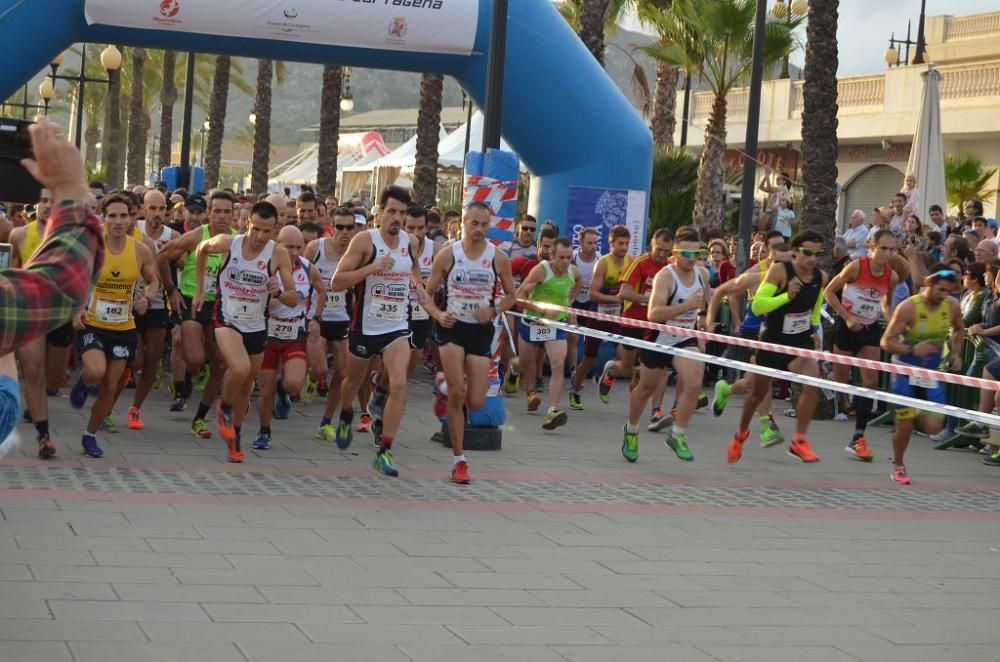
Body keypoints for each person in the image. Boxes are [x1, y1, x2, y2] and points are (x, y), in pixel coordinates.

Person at [0, 118, 108, 452]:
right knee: (32, 372)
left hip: (43, 317)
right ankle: (44, 433)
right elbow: (61, 284)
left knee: (53, 376)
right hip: (35, 311)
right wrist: (70, 188)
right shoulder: (19, 233)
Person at [329, 186, 427, 477]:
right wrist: (371, 268)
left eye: (402, 212)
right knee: (351, 382)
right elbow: (337, 282)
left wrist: (419, 286)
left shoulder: (410, 241)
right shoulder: (364, 241)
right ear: (380, 213)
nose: (397, 217)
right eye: (392, 211)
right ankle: (347, 414)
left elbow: (413, 268)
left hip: (397, 325)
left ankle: (384, 450)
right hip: (365, 325)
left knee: (398, 384)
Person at [193, 201, 296, 463]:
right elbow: (201, 250)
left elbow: (294, 299)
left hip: (257, 325)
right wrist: (199, 291)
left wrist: (279, 292)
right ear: (246, 223)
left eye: (267, 232)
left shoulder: (279, 254)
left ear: (275, 229)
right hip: (227, 317)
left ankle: (234, 437)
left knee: (247, 384)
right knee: (238, 369)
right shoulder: (229, 243)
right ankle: (223, 409)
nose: (261, 237)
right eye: (256, 229)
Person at [421, 202, 516, 483]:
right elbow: (426, 296)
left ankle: (444, 390)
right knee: (459, 394)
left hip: (481, 330)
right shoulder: (448, 255)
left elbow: (512, 295)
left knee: (475, 402)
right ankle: (459, 461)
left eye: (484, 225)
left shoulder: (497, 258)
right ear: (463, 223)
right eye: (474, 224)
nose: (478, 230)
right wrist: (438, 314)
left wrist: (494, 310)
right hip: (452, 328)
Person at [69, 194, 160, 458]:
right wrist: (77, 309)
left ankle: (90, 435)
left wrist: (147, 297)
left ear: (132, 218)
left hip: (123, 327)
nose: (119, 221)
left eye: (124, 215)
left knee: (111, 385)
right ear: (104, 218)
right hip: (93, 323)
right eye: (113, 216)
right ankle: (84, 383)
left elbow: (153, 281)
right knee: (96, 371)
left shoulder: (141, 250)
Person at [726, 230, 828, 464]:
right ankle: (740, 434)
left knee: (812, 384)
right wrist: (786, 297)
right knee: (756, 395)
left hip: (800, 343)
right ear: (794, 252)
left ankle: (799, 440)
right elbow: (759, 306)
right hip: (773, 342)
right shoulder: (780, 271)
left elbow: (816, 301)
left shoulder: (820, 277)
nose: (812, 259)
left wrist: (813, 326)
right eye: (807, 253)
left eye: (817, 254)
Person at [622, 227, 709, 463]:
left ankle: (677, 434)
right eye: (687, 254)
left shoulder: (702, 274)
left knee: (694, 381)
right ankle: (631, 430)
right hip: (658, 336)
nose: (693, 259)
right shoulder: (666, 276)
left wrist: (702, 320)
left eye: (697, 253)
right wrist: (686, 306)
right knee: (645, 389)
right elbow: (654, 314)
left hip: (684, 337)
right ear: (675, 254)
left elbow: (704, 301)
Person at [159, 192, 237, 434]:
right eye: (217, 211)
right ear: (209, 213)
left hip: (222, 306)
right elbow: (162, 258)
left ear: (233, 215)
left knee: (220, 364)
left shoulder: (237, 240)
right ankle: (187, 376)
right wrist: (172, 290)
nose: (222, 217)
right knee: (194, 359)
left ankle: (200, 417)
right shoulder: (195, 237)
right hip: (193, 301)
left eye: (227, 212)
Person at [880, 267, 963, 484]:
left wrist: (955, 353)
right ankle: (898, 465)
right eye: (940, 290)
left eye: (948, 291)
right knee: (905, 425)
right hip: (905, 370)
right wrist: (911, 350)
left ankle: (910, 411)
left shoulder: (952, 306)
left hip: (929, 372)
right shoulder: (909, 307)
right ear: (928, 283)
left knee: (934, 426)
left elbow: (958, 329)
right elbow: (886, 341)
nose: (943, 295)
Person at [823, 229, 900, 461]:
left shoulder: (892, 277)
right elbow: (829, 293)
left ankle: (858, 437)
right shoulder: (856, 267)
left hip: (869, 329)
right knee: (839, 381)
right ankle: (826, 371)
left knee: (870, 381)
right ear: (872, 247)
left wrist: (894, 321)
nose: (887, 254)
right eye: (883, 248)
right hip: (846, 327)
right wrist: (847, 317)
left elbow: (885, 304)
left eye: (892, 249)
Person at [708, 232, 791, 448]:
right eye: (771, 250)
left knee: (754, 383)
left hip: (775, 336)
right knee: (762, 379)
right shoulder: (756, 274)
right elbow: (722, 292)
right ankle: (765, 428)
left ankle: (725, 389)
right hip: (752, 334)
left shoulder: (794, 274)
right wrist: (716, 321)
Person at [254, 225, 325, 450]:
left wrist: (316, 318)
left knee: (294, 383)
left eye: (298, 247)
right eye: (289, 247)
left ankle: (283, 391)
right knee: (265, 392)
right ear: (277, 244)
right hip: (267, 334)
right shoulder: (266, 267)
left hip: (294, 333)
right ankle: (264, 431)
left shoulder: (308, 268)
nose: (294, 252)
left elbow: (322, 291)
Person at [597, 229, 672, 430]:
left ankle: (656, 411)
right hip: (633, 321)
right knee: (627, 369)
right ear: (651, 245)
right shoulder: (639, 263)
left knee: (661, 370)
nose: (662, 255)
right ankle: (612, 371)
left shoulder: (670, 267)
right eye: (659, 249)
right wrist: (650, 299)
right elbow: (624, 293)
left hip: (656, 325)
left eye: (667, 251)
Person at [515, 236, 581, 430]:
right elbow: (519, 296)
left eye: (569, 257)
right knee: (526, 364)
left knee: (558, 363)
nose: (565, 262)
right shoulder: (541, 271)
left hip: (555, 324)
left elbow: (578, 282)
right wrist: (542, 309)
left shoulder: (573, 272)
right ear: (552, 255)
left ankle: (552, 410)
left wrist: (568, 306)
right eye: (561, 257)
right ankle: (527, 389)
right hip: (532, 322)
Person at [126, 189, 178, 430]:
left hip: (156, 302)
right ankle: (109, 401)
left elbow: (173, 263)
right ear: (143, 209)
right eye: (152, 208)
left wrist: (173, 291)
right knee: (134, 359)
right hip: (128, 302)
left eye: (161, 209)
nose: (157, 213)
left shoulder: (173, 235)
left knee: (152, 360)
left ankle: (135, 409)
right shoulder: (128, 226)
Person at [569, 224, 631, 408]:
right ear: (611, 243)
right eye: (620, 243)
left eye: (627, 243)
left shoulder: (630, 262)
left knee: (625, 357)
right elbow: (593, 294)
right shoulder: (603, 263)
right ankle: (575, 391)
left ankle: (608, 376)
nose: (624, 247)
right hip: (598, 316)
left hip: (618, 318)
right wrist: (616, 297)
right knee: (589, 358)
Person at [309, 208, 355, 442]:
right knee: (318, 370)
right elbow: (299, 273)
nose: (345, 232)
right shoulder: (316, 249)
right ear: (332, 227)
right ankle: (309, 378)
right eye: (340, 227)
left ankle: (326, 422)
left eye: (350, 227)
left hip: (343, 319)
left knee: (343, 372)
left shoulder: (357, 254)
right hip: (318, 317)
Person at [566, 227, 601, 403]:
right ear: (580, 243)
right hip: (574, 300)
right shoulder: (572, 257)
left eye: (595, 243)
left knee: (591, 339)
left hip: (591, 302)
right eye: (589, 243)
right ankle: (573, 370)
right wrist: (569, 303)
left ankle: (584, 371)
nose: (593, 246)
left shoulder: (600, 259)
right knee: (573, 336)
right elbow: (566, 282)